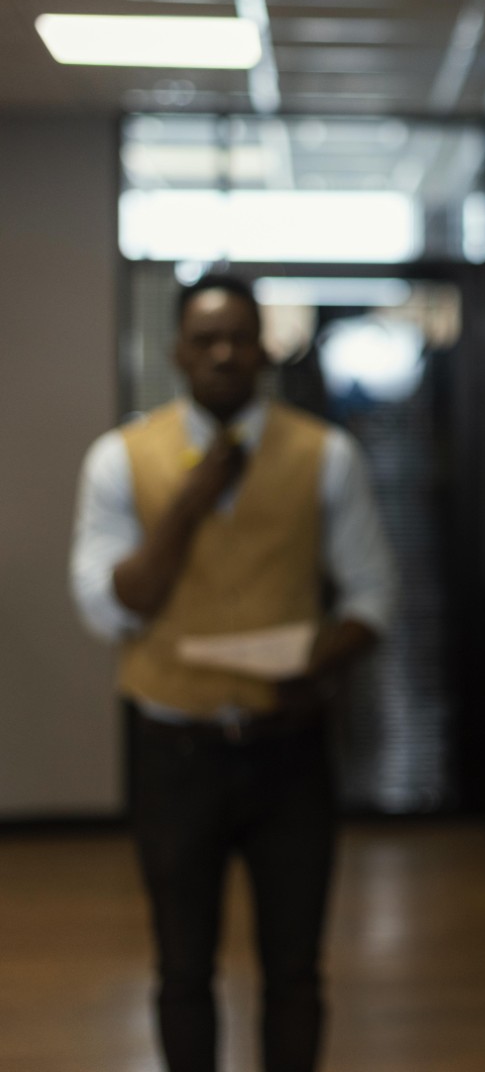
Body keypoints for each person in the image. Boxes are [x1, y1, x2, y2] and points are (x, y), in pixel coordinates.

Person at [70, 272, 396, 1072]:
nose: (223, 354)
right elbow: (112, 607)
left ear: (264, 350)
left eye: (239, 338)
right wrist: (189, 501)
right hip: (173, 753)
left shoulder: (326, 455)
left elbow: (372, 597)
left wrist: (320, 666)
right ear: (177, 352)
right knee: (182, 968)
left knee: (294, 968)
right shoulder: (120, 460)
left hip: (289, 752)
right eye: (206, 340)